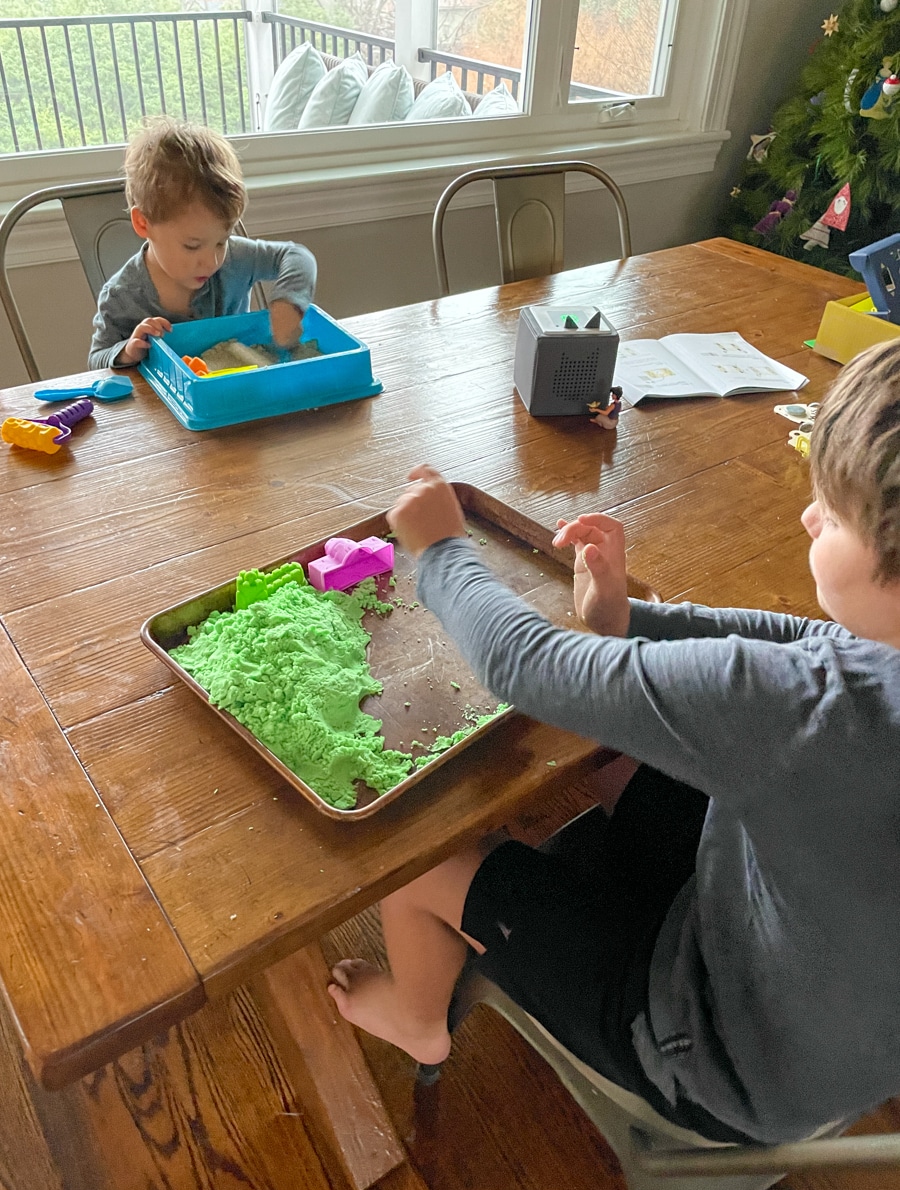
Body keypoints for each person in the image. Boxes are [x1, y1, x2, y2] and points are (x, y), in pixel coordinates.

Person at [328, 339, 900, 1147]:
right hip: (834, 1016)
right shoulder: (866, 673)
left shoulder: (813, 711)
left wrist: (443, 549)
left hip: (727, 1061)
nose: (810, 517)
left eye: (834, 516)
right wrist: (631, 619)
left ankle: (419, 1021)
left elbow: (524, 664)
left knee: (417, 849)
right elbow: (802, 644)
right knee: (626, 750)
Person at [88, 116, 317, 370]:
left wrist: (288, 300)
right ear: (143, 224)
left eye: (221, 242)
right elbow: (97, 360)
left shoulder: (236, 258)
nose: (212, 261)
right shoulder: (122, 296)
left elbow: (297, 256)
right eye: (192, 246)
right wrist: (127, 351)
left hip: (240, 386)